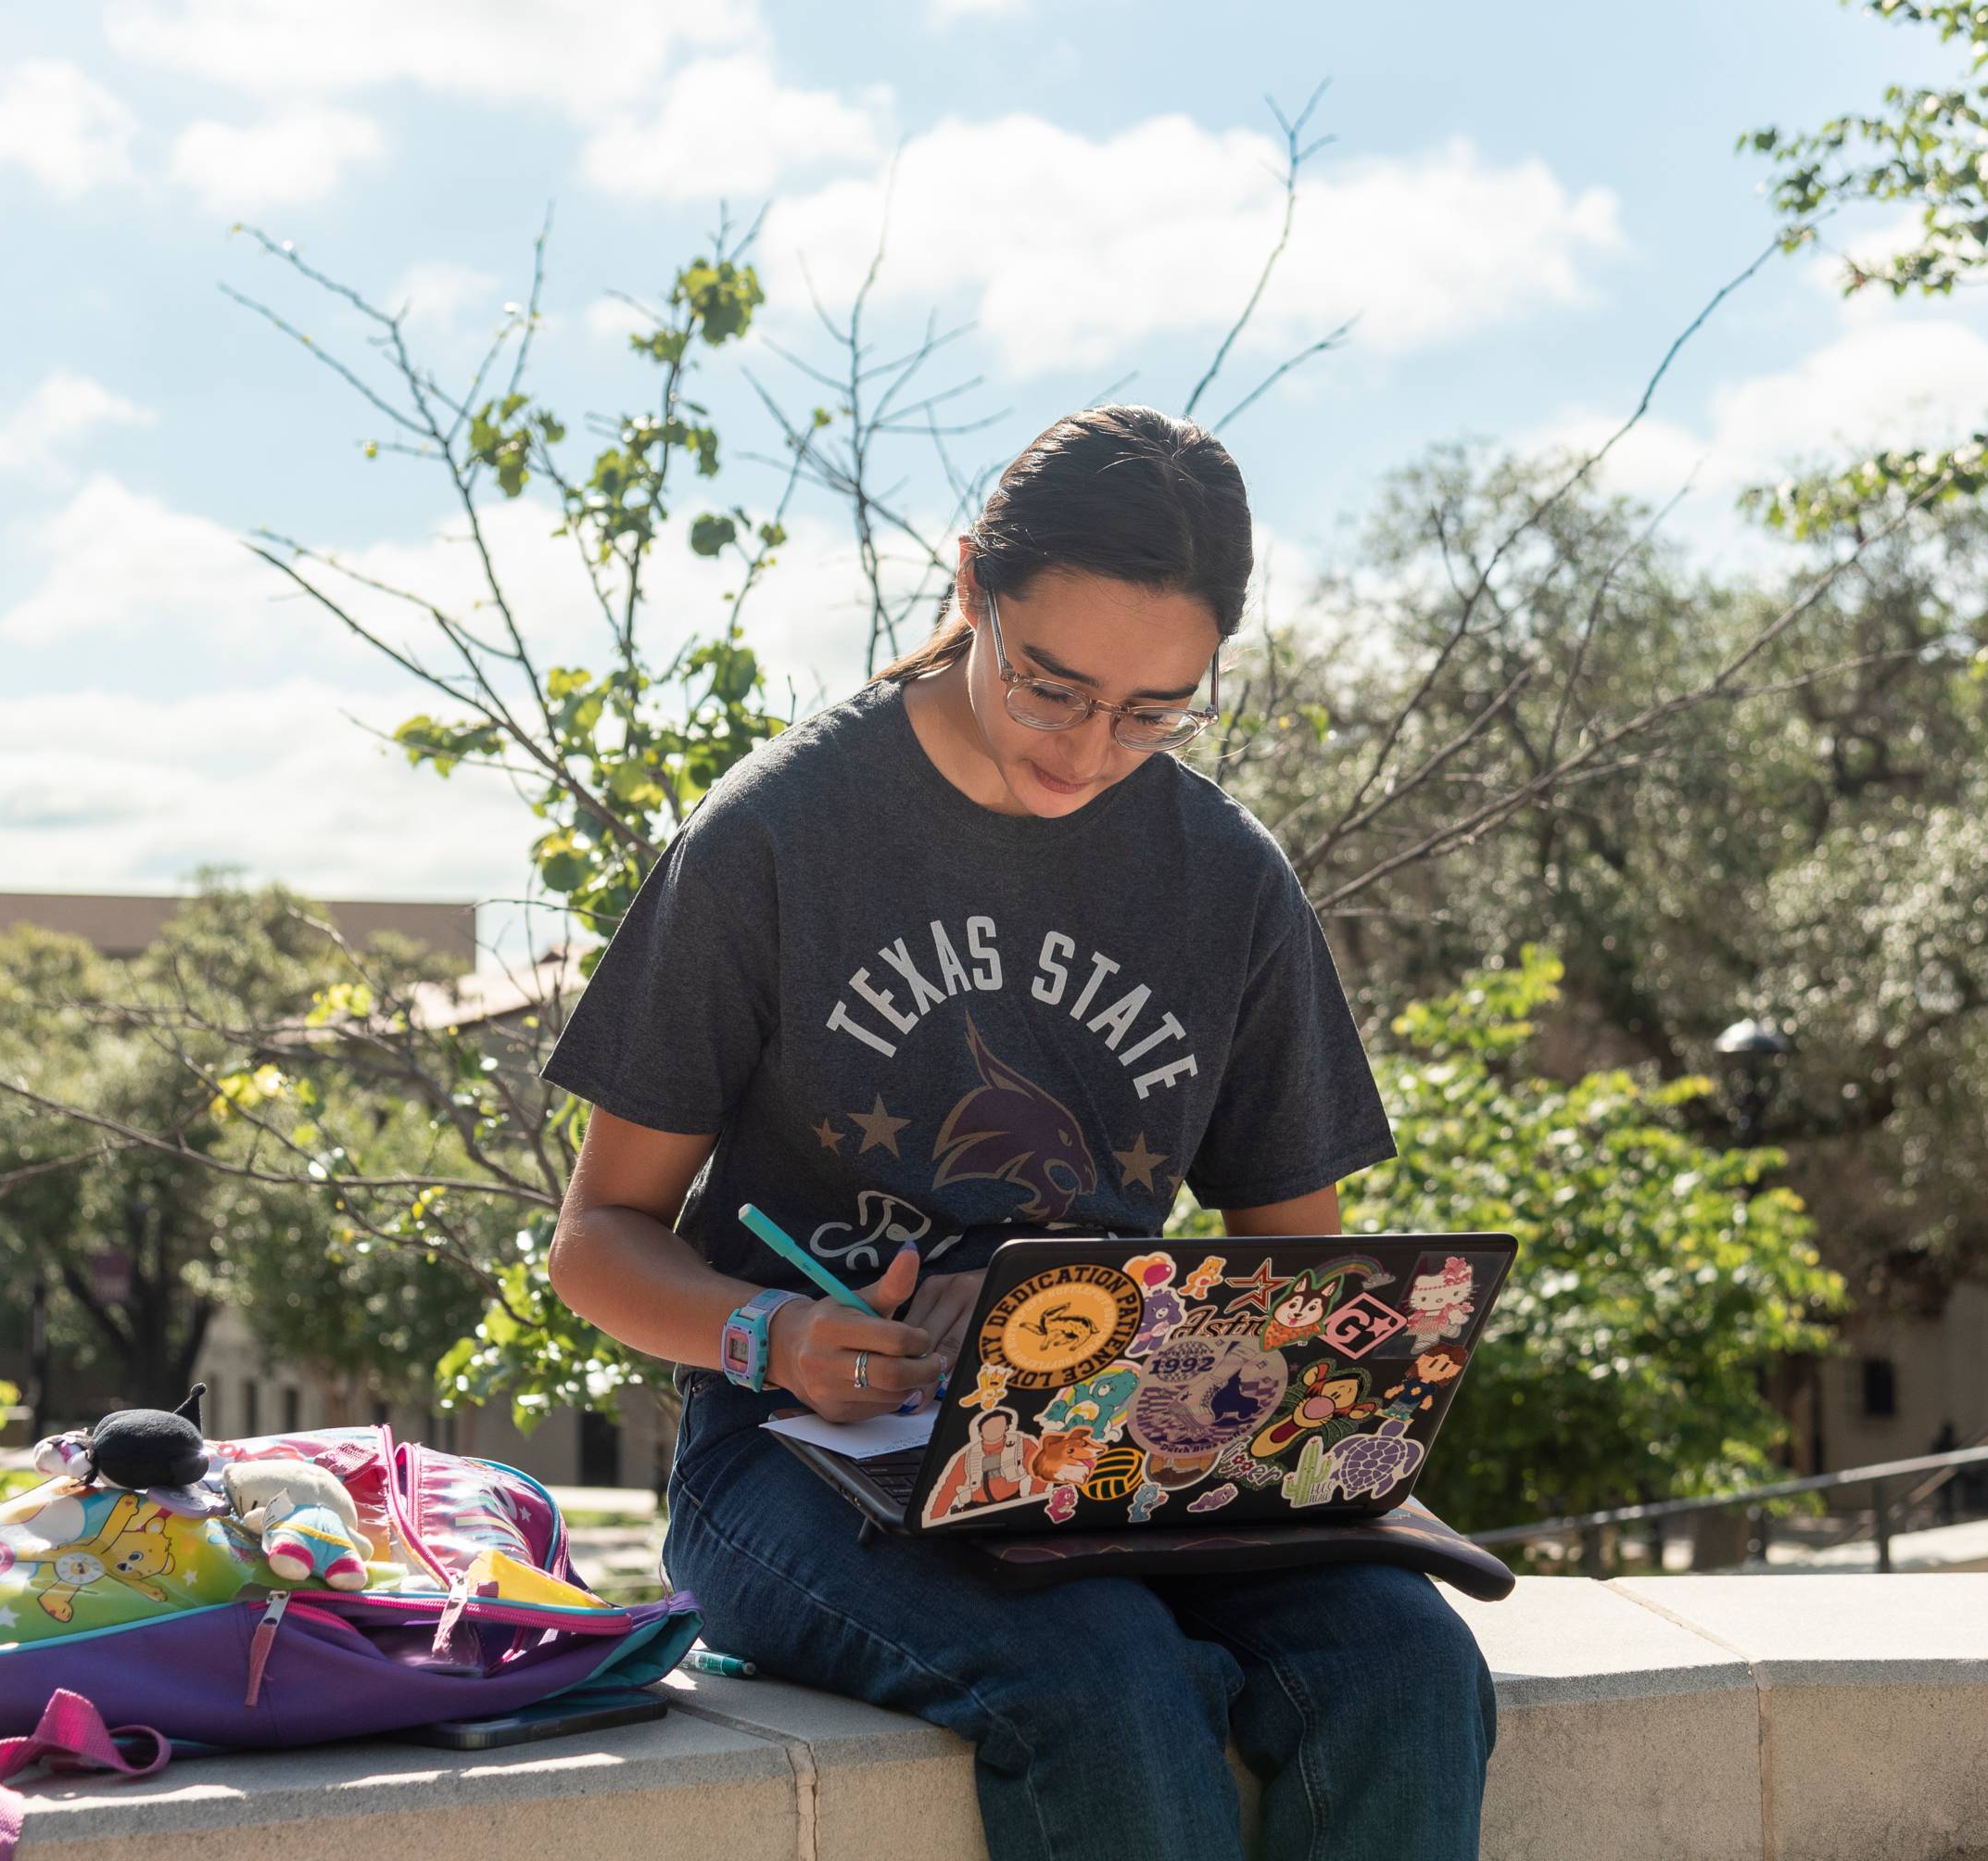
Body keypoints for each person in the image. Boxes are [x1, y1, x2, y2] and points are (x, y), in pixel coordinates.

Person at [542, 404, 1498, 1860]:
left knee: (1408, 1668)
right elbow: (595, 1244)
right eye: (1054, 689)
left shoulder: (1226, 880)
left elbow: (1300, 1283)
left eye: (1157, 712)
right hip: (796, 1457)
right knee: (1101, 1674)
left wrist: (1275, 1404)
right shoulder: (775, 837)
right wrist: (774, 1336)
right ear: (975, 583)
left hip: (1122, 1449)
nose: (1094, 750)